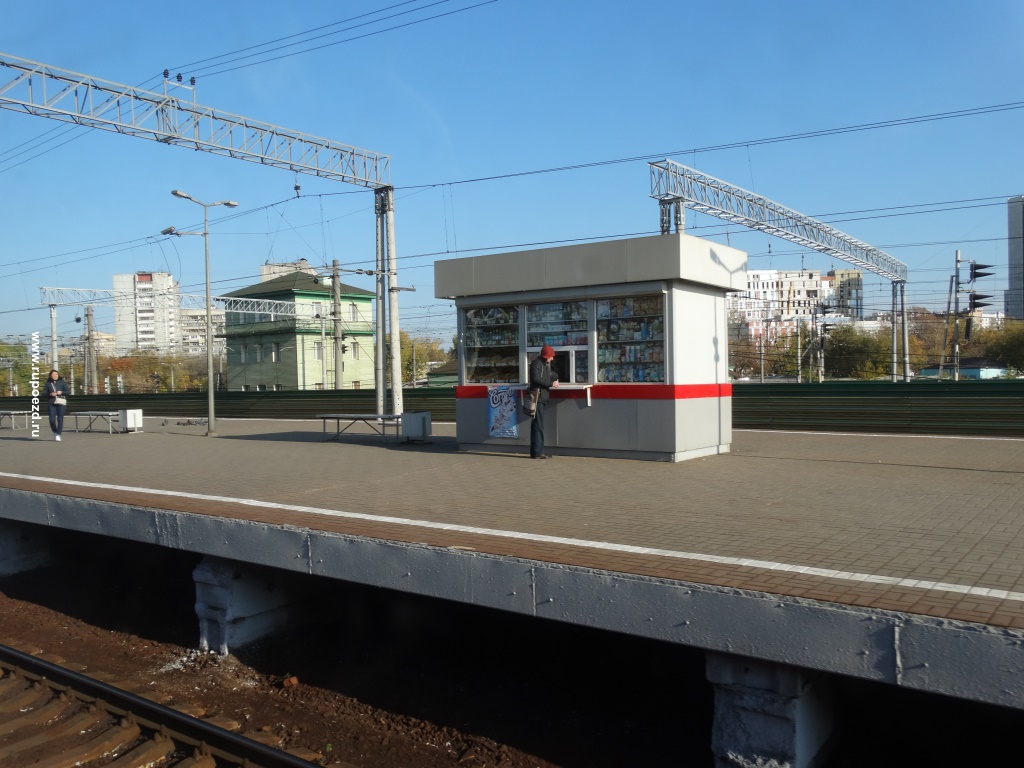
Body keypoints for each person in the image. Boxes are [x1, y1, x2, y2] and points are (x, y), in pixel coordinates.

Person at [528, 345, 559, 459]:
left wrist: (555, 378)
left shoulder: (544, 365)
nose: (552, 359)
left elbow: (550, 375)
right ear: (546, 356)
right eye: (551, 356)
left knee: (537, 425)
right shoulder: (537, 364)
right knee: (538, 425)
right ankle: (537, 452)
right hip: (537, 398)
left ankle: (536, 451)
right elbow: (536, 378)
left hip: (541, 398)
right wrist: (551, 384)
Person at [44, 369, 70, 442]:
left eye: (56, 374)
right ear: (50, 376)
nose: (55, 376)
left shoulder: (62, 382)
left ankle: (58, 434)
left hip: (61, 402)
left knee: (60, 418)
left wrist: (61, 392)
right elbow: (44, 393)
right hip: (52, 402)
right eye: (53, 374)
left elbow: (68, 392)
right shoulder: (48, 383)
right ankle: (55, 431)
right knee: (52, 420)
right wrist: (50, 394)